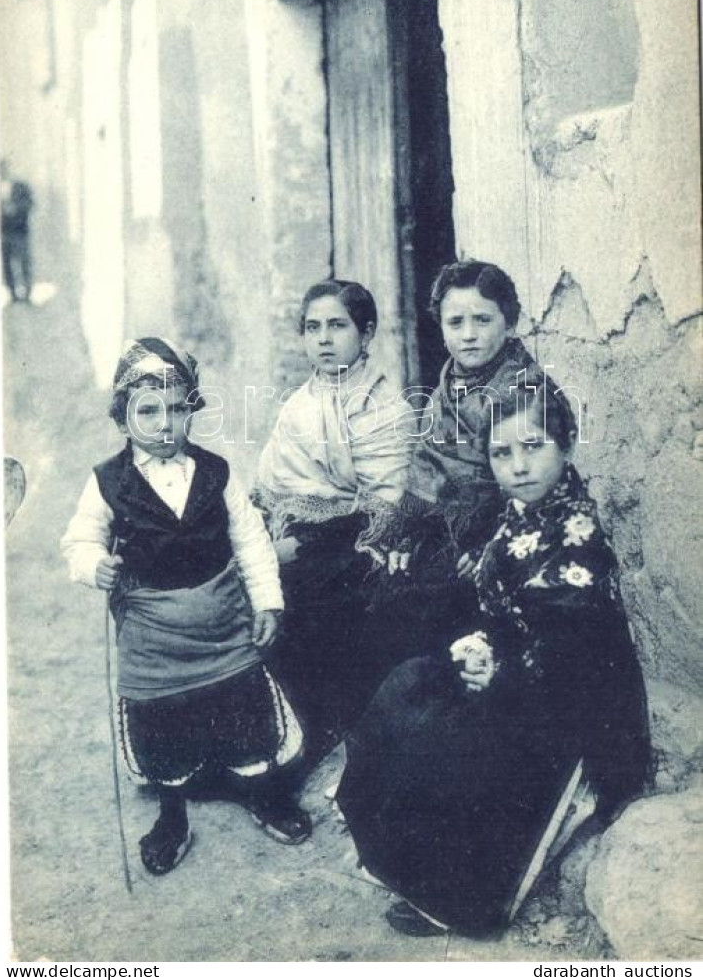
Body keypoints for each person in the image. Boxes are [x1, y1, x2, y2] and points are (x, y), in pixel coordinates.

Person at [337, 375, 651, 937]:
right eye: (501, 453)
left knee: (466, 752)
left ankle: (460, 897)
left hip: (577, 711)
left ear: (567, 445)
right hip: (522, 673)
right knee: (408, 688)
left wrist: (496, 672)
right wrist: (478, 645)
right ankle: (400, 854)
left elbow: (570, 653)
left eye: (533, 447)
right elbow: (499, 611)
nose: (518, 466)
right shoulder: (516, 519)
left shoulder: (578, 533)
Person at [61, 337, 310, 876]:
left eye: (177, 408)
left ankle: (262, 792)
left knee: (245, 717)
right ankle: (171, 815)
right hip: (153, 641)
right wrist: (92, 564)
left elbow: (250, 541)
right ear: (123, 419)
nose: (164, 423)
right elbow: (78, 540)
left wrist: (268, 601)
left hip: (225, 631)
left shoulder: (217, 473)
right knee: (164, 731)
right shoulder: (107, 482)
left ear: (192, 410)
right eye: (148, 410)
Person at [252, 279, 414, 759]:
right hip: (295, 531)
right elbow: (271, 487)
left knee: (303, 583)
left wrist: (302, 545)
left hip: (364, 538)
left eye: (337, 326)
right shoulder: (298, 407)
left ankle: (319, 729)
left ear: (366, 334)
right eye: (312, 327)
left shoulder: (387, 408)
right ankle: (267, 727)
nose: (323, 339)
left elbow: (385, 501)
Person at [361, 259, 538, 682]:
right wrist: (404, 533)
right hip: (443, 528)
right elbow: (426, 465)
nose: (468, 334)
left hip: (498, 534)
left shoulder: (522, 391)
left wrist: (484, 550)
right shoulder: (448, 386)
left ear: (510, 324)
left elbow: (525, 489)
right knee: (375, 580)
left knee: (420, 608)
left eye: (482, 320)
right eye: (455, 321)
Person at [0, 159, 33, 303]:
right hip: (3, 233)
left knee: (23, 261)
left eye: (3, 168)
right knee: (6, 264)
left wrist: (15, 209)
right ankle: (12, 294)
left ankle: (27, 293)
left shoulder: (20, 186)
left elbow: (30, 203)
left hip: (19, 231)